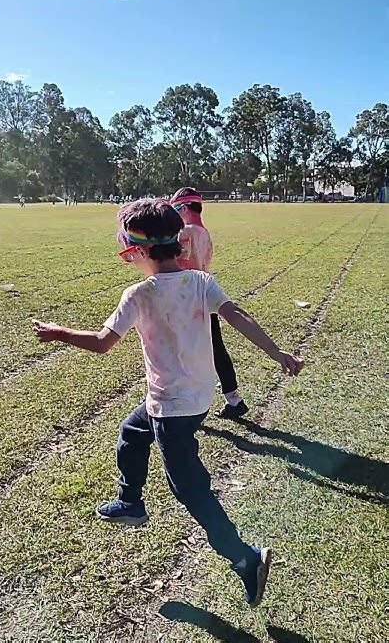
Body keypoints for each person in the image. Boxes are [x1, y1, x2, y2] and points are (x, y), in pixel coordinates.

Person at [32, 198, 302, 607]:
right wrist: (277, 353)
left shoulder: (138, 295)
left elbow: (103, 344)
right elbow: (238, 316)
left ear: (134, 251)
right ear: (179, 243)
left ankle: (245, 559)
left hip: (171, 408)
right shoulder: (200, 281)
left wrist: (58, 333)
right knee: (131, 431)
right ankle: (130, 500)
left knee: (189, 489)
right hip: (196, 398)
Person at [170, 187, 246, 420]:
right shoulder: (204, 232)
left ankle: (179, 402)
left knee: (178, 350)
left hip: (185, 297)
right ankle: (234, 398)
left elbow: (176, 264)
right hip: (205, 292)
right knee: (216, 348)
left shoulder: (184, 233)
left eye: (175, 210)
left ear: (183, 208)